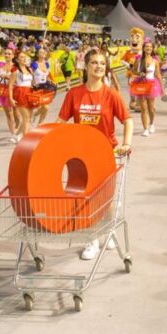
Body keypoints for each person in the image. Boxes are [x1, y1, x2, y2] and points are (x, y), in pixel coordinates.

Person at [56, 48, 133, 261]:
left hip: (107, 153)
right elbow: (60, 122)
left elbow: (127, 120)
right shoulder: (74, 94)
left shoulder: (111, 94)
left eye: (102, 63)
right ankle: (92, 240)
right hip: (81, 156)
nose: (99, 66)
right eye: (94, 63)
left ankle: (109, 229)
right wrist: (55, 143)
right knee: (85, 198)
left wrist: (126, 144)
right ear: (86, 66)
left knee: (106, 199)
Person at [132, 40, 162, 136]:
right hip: (141, 84)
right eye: (146, 46)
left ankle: (152, 124)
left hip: (152, 85)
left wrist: (161, 87)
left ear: (152, 49)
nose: (148, 48)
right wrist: (139, 73)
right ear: (143, 48)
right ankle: (145, 129)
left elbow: (158, 74)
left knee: (151, 108)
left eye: (150, 47)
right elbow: (133, 71)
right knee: (143, 108)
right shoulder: (138, 60)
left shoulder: (155, 61)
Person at [9, 50, 34, 141]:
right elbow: (10, 85)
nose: (24, 59)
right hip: (20, 94)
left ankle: (16, 135)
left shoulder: (29, 69)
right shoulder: (15, 71)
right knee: (26, 118)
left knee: (28, 118)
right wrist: (11, 98)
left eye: (25, 57)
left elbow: (32, 83)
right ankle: (26, 140)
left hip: (30, 94)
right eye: (22, 57)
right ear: (17, 60)